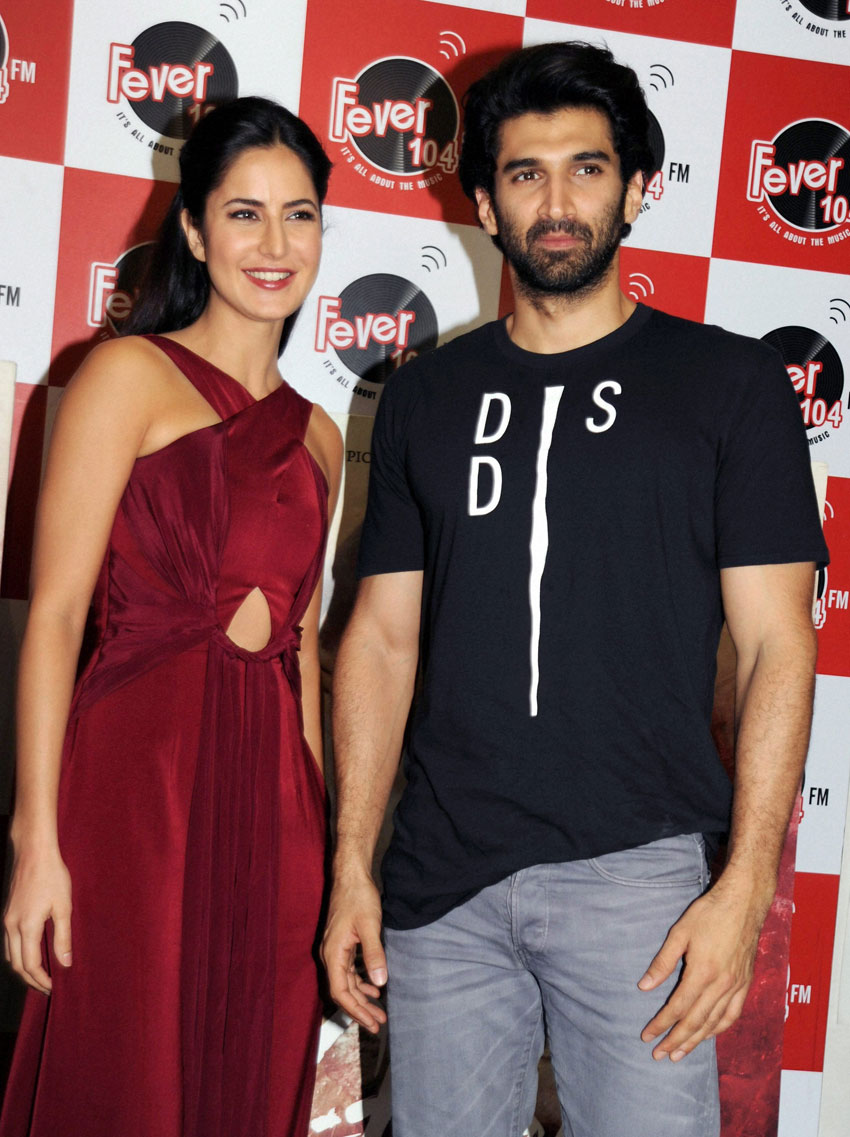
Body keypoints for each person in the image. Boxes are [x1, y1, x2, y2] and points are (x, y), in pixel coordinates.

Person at [321, 42, 828, 1137]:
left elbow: (778, 646)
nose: (556, 203)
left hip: (641, 882)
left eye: (586, 169)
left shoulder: (731, 384)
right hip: (441, 883)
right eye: (524, 173)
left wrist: (745, 887)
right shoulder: (423, 400)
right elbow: (381, 642)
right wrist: (351, 866)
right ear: (486, 206)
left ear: (637, 189)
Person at [1, 96, 341, 1137]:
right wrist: (36, 839)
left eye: (298, 214)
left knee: (251, 1073)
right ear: (193, 230)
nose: (274, 244)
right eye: (244, 213)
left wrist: (323, 843)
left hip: (276, 808)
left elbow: (301, 652)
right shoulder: (124, 377)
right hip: (136, 789)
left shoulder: (323, 438)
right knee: (129, 1069)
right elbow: (57, 618)